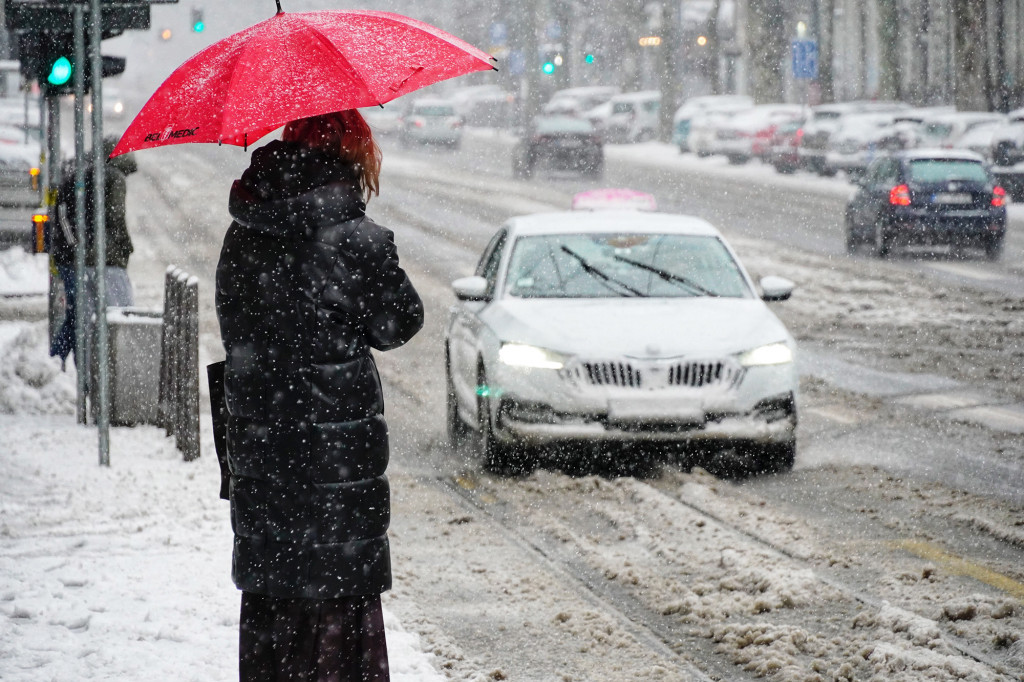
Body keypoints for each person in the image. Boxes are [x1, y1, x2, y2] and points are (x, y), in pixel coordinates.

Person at [214, 110, 424, 682]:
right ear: (353, 156)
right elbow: (399, 324)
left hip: (264, 456)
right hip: (336, 467)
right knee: (337, 616)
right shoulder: (358, 239)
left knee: (275, 604)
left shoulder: (245, 231)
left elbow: (236, 328)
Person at [49, 137, 137, 367]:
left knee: (77, 315)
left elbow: (64, 213)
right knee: (85, 318)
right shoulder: (113, 177)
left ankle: (59, 363)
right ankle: (75, 368)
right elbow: (115, 219)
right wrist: (123, 247)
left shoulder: (82, 173)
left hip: (70, 257)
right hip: (79, 258)